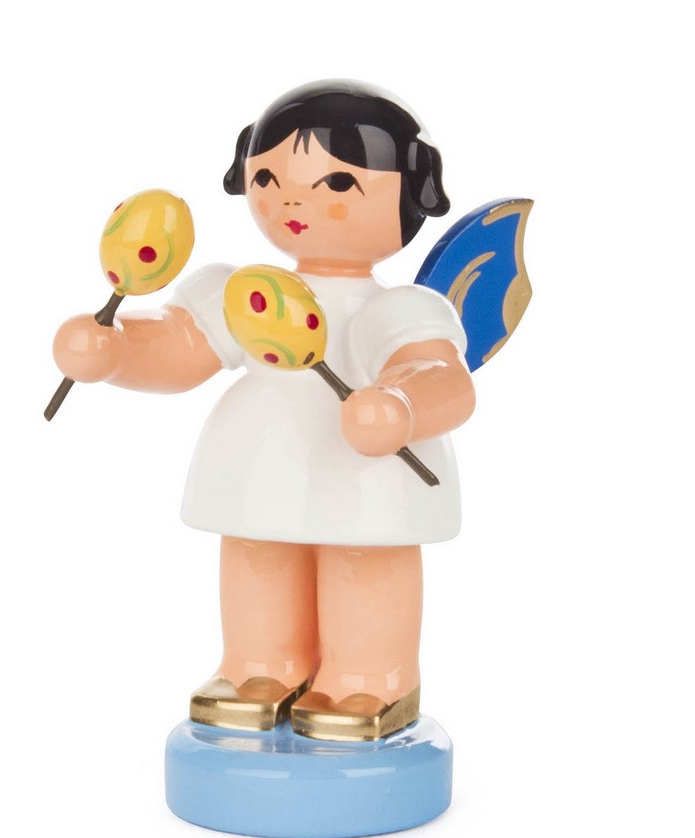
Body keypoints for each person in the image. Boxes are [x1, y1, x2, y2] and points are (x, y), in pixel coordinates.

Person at [52, 80, 476, 741]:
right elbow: (182, 347)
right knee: (257, 554)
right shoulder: (245, 293)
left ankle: (372, 675)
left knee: (363, 560)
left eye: (338, 183)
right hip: (264, 466)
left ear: (412, 191)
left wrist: (402, 402)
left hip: (365, 473)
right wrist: (114, 350)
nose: (293, 200)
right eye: (270, 178)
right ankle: (260, 665)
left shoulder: (399, 309)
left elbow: (444, 377)